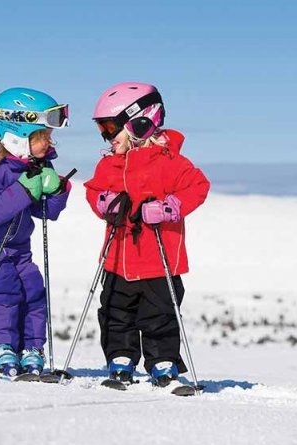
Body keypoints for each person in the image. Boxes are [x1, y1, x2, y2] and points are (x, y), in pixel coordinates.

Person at [84, 82, 210, 387]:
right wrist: (103, 203)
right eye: (103, 128)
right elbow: (94, 190)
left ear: (140, 122)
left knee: (160, 313)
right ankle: (120, 357)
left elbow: (198, 187)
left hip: (159, 261)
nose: (106, 136)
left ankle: (162, 361)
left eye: (111, 127)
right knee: (114, 310)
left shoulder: (171, 163)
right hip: (117, 259)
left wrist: (170, 207)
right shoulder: (109, 164)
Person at [0, 87, 71, 377]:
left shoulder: (34, 163)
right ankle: (0, 347)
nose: (49, 142)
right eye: (42, 136)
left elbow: (48, 213)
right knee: (3, 285)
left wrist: (57, 188)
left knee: (32, 287)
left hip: (17, 244)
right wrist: (24, 189)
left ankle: (31, 349)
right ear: (17, 135)